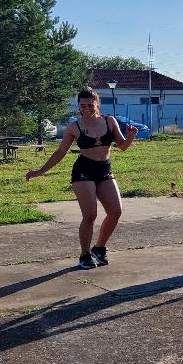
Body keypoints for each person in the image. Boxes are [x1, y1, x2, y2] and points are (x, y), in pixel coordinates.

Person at [26, 88, 138, 269]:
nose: (86, 109)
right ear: (78, 106)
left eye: (90, 105)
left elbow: (122, 146)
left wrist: (131, 136)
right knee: (90, 215)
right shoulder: (74, 127)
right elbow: (60, 152)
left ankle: (99, 248)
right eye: (82, 105)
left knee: (115, 212)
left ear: (97, 104)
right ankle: (85, 254)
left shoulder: (109, 121)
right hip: (83, 170)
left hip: (104, 169)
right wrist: (40, 171)